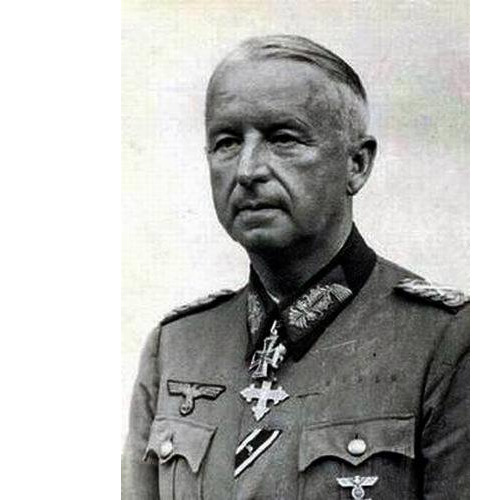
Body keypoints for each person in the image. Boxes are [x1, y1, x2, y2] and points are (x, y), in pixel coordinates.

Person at [123, 34, 469, 500]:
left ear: (357, 164)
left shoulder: (446, 344)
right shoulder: (177, 346)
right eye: (227, 142)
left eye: (282, 138)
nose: (248, 170)